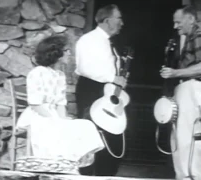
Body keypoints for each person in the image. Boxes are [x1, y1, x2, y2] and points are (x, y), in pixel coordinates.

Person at [16, 35, 105, 173]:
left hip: (54, 114)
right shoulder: (37, 73)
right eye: (67, 50)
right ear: (56, 52)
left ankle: (68, 164)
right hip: (38, 115)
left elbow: (60, 103)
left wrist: (62, 119)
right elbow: (35, 104)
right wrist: (54, 120)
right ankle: (53, 165)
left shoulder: (60, 75)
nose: (69, 53)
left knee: (84, 125)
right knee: (55, 127)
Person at [159, 6, 201, 180]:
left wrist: (175, 73)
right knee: (179, 139)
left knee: (188, 138)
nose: (175, 26)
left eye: (178, 21)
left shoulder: (199, 35)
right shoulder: (186, 38)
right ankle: (183, 177)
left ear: (191, 19)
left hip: (192, 88)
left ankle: (194, 177)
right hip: (184, 88)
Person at [74, 4, 126, 176]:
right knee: (92, 135)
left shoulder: (109, 43)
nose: (122, 23)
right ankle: (88, 175)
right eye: (119, 18)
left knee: (111, 133)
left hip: (106, 92)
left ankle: (105, 175)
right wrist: (112, 78)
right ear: (107, 20)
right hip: (91, 89)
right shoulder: (89, 40)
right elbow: (84, 68)